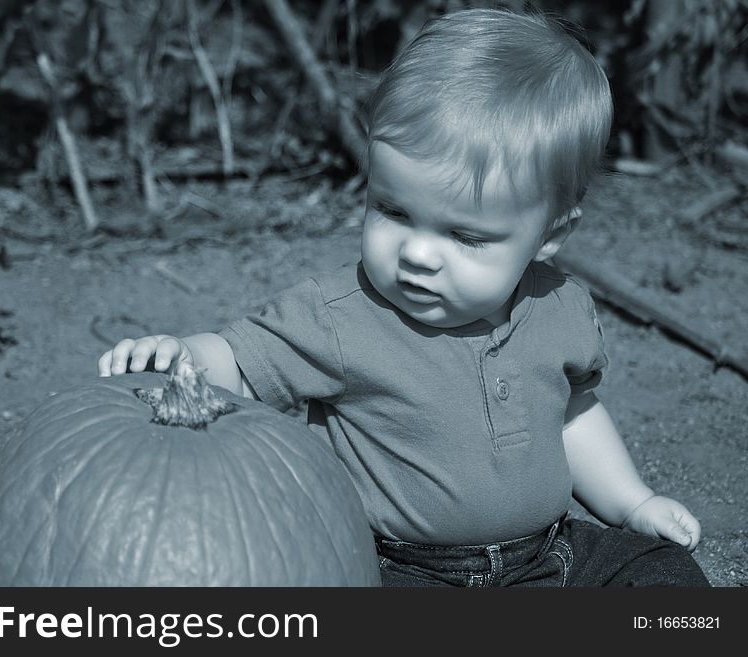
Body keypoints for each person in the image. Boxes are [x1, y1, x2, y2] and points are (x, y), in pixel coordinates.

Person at [98, 9, 709, 587]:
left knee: (664, 577)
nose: (417, 254)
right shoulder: (338, 317)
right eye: (392, 210)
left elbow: (573, 416)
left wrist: (632, 502)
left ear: (550, 236)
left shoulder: (560, 308)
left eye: (465, 236)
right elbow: (241, 361)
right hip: (397, 566)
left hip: (548, 553)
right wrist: (182, 358)